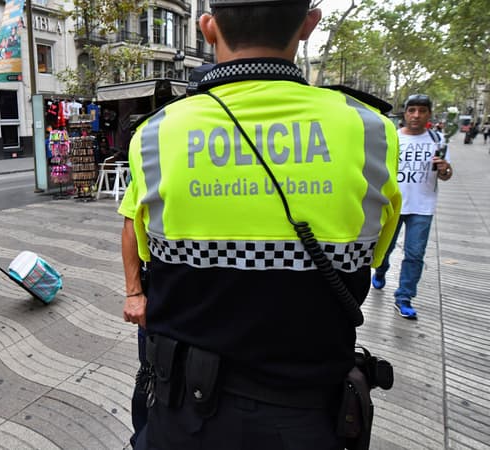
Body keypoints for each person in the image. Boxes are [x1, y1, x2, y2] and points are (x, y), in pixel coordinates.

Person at [118, 1, 401, 448]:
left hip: (184, 410)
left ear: (208, 28)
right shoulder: (370, 130)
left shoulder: (155, 133)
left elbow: (140, 235)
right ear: (309, 24)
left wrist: (136, 291)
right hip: (309, 411)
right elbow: (373, 253)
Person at [372, 94, 453, 319]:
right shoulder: (392, 138)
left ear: (429, 114)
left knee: (415, 254)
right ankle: (380, 271)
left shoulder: (437, 139)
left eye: (422, 111)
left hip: (422, 206)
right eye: (412, 110)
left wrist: (445, 168)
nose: (416, 115)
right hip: (392, 205)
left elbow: (445, 175)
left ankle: (404, 297)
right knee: (384, 250)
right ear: (405, 113)